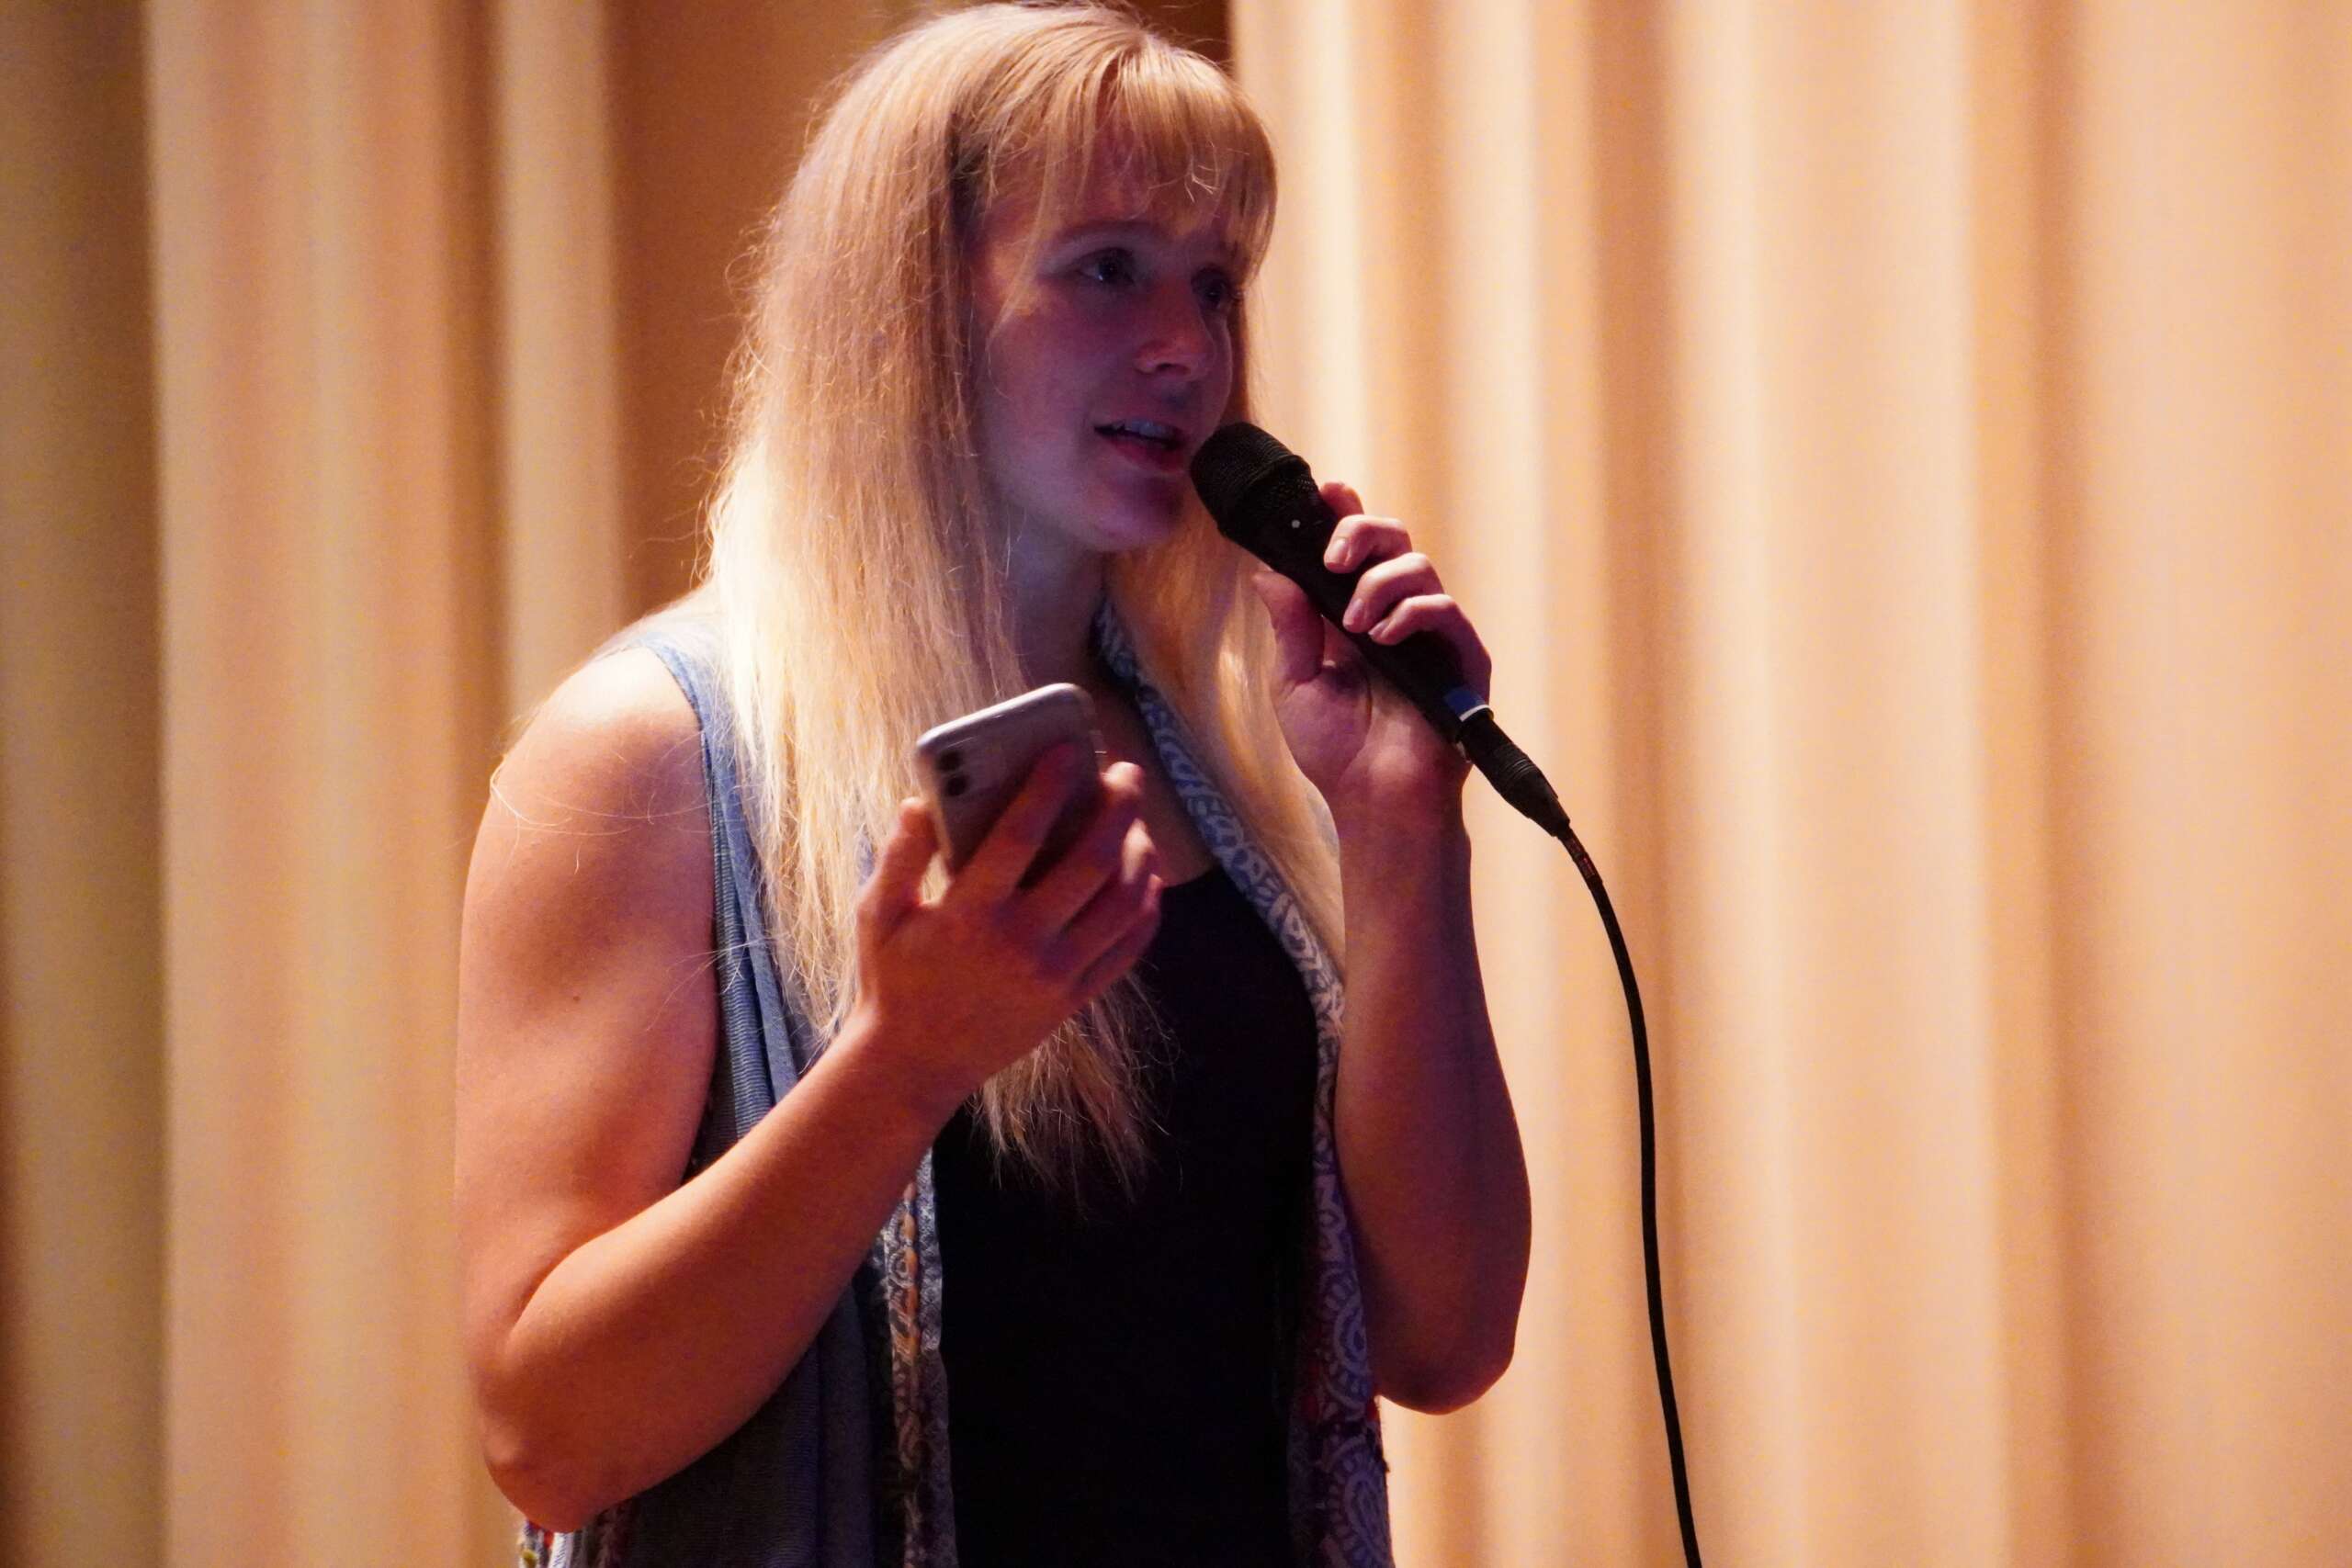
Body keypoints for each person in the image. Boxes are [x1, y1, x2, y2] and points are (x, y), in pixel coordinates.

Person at [455, 6, 1532, 1565]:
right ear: (909, 306)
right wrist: (904, 1067)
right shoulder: (649, 754)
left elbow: (1446, 1338)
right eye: (1108, 268)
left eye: (1215, 283)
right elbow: (549, 1439)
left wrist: (1404, 831)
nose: (1189, 348)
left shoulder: (1229, 760)